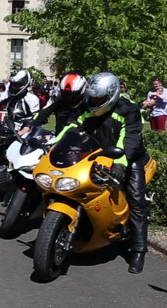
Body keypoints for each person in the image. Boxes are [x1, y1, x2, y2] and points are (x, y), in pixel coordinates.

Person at [55, 72, 150, 274]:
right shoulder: (86, 106)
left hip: (127, 157)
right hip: (93, 155)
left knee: (136, 199)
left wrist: (121, 163)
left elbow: (130, 138)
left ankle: (138, 251)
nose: (94, 101)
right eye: (92, 97)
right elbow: (71, 126)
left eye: (98, 98)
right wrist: (54, 146)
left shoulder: (128, 110)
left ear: (111, 95)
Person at [22, 72, 87, 134]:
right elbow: (43, 112)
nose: (68, 97)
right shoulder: (58, 99)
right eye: (65, 93)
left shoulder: (88, 102)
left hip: (84, 140)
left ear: (81, 91)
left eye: (71, 94)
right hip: (60, 139)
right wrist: (29, 125)